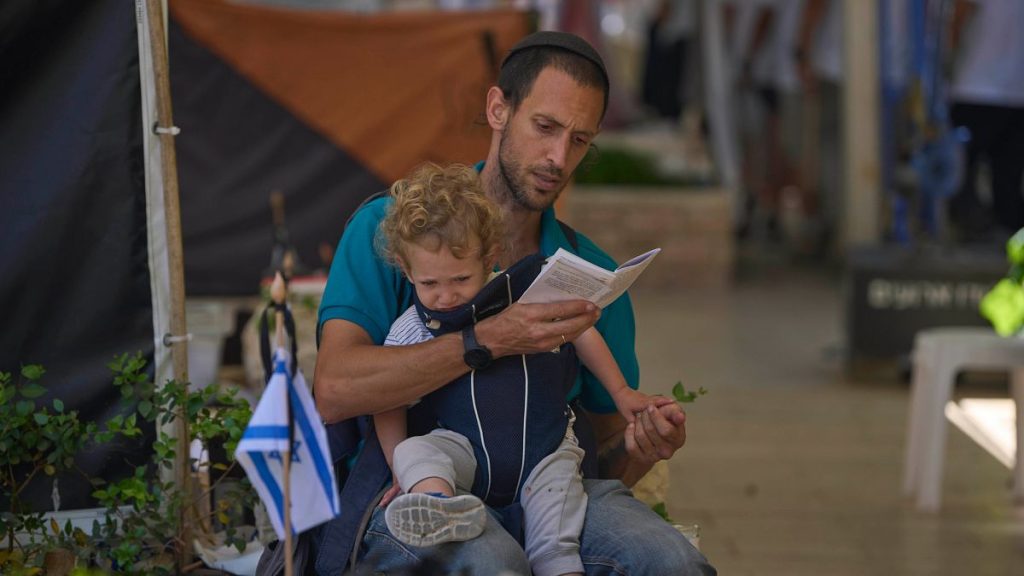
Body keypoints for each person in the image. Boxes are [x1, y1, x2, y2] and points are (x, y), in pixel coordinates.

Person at [315, 30, 715, 575]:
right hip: (425, 493)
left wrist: (642, 445)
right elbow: (336, 390)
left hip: (549, 493)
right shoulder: (394, 230)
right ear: (498, 108)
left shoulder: (589, 273)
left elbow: (599, 457)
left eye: (579, 140)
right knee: (492, 562)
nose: (558, 157)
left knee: (671, 561)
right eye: (545, 127)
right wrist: (488, 340)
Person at [373, 162, 666, 576]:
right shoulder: (413, 327)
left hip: (543, 448)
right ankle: (436, 505)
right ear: (407, 272)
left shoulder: (525, 297)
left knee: (557, 518)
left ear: (489, 258)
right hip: (466, 453)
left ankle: (559, 566)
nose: (445, 296)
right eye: (429, 284)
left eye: (460, 278)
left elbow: (581, 333)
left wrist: (622, 394)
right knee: (415, 450)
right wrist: (400, 469)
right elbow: (388, 398)